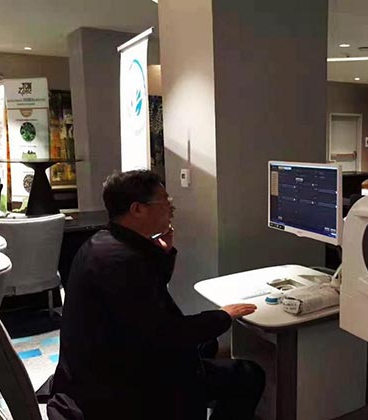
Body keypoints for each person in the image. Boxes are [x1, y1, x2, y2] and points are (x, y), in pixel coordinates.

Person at [49, 170, 265, 420]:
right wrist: (223, 316)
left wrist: (164, 253)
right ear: (138, 209)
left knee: (208, 344)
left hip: (102, 366)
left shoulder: (104, 243)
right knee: (247, 375)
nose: (172, 208)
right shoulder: (122, 262)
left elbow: (149, 295)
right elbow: (167, 333)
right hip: (123, 389)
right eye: (165, 201)